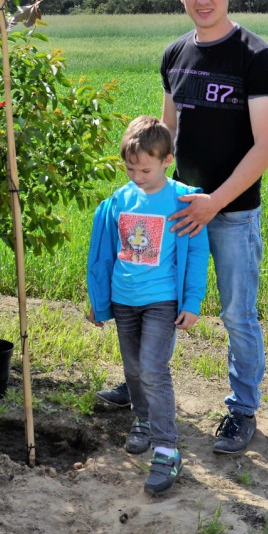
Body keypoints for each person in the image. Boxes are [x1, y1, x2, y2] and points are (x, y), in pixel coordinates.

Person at [100, 0, 268, 455]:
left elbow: (266, 147)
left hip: (233, 213)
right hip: (177, 208)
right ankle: (142, 383)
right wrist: (150, 188)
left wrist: (214, 203)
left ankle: (241, 409)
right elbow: (169, 134)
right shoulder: (175, 54)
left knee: (236, 313)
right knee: (157, 297)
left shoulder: (256, 57)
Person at [87, 116, 209, 494]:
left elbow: (197, 254)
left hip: (161, 301)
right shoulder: (118, 202)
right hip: (125, 300)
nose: (137, 176)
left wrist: (192, 301)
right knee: (134, 368)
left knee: (154, 369)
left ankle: (166, 448)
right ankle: (141, 418)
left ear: (167, 161)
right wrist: (98, 300)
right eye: (129, 168)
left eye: (145, 169)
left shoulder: (182, 199)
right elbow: (103, 255)